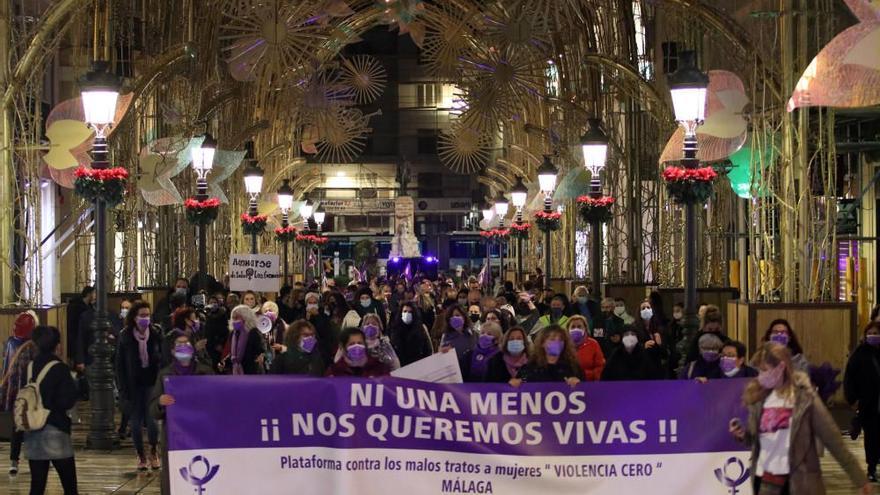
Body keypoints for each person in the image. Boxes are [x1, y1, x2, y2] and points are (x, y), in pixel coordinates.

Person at [731, 343, 871, 495]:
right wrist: (743, 435)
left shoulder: (805, 399)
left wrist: (858, 478)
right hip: (764, 481)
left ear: (781, 368)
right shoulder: (760, 399)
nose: (761, 376)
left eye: (765, 370)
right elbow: (757, 440)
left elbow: (832, 439)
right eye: (759, 371)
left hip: (799, 482)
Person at [149, 333, 213, 494]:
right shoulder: (165, 375)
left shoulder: (205, 372)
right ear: (172, 351)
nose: (183, 348)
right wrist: (159, 402)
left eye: (187, 344)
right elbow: (153, 410)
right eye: (179, 345)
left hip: (202, 434)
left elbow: (216, 400)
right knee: (174, 476)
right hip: (175, 436)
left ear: (193, 349)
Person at [23, 326, 79, 494]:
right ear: (57, 346)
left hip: (33, 430)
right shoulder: (60, 368)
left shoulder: (31, 366)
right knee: (69, 485)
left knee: (37, 485)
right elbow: (67, 401)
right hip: (55, 429)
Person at [116, 301, 163, 471]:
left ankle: (153, 450)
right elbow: (119, 365)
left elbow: (162, 357)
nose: (145, 319)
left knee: (151, 421)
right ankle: (140, 454)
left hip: (151, 382)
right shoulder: (126, 336)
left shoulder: (156, 333)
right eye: (142, 315)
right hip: (132, 384)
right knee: (135, 423)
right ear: (134, 317)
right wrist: (121, 387)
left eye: (148, 315)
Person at [2, 320, 39, 476]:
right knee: (35, 427)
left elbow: (7, 368)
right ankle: (36, 460)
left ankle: (14, 461)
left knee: (17, 427)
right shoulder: (33, 347)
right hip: (31, 393)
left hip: (15, 392)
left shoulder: (10, 343)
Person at [845, 322, 880, 482]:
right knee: (871, 437)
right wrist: (853, 399)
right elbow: (849, 377)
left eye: (876, 333)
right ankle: (871, 468)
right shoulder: (860, 354)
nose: (873, 336)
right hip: (868, 404)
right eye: (870, 333)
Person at [512, 325, 583, 384]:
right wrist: (514, 384)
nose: (557, 342)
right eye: (552, 339)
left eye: (560, 340)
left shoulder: (573, 368)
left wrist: (579, 385)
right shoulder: (529, 369)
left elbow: (587, 393)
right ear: (542, 343)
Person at [327, 328, 391, 377]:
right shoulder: (335, 371)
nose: (357, 347)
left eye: (360, 343)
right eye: (352, 344)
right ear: (342, 347)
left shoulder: (379, 368)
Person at [225, 305, 265, 375]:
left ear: (246, 318)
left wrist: (261, 356)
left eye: (237, 317)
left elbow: (260, 351)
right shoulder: (233, 334)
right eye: (233, 318)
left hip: (251, 371)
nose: (234, 320)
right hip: (235, 371)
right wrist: (224, 362)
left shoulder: (254, 332)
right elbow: (233, 354)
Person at [388, 302, 433, 367]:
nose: (407, 314)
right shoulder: (395, 330)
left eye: (410, 312)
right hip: (401, 367)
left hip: (418, 366)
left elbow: (428, 350)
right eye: (405, 311)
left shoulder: (421, 329)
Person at [568, 315, 605, 381]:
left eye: (579, 326)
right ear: (568, 329)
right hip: (565, 384)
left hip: (589, 383)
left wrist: (584, 375)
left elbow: (600, 366)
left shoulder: (593, 344)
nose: (576, 329)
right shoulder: (563, 345)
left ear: (585, 328)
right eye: (573, 327)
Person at [65, 286, 94, 362]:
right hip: (76, 339)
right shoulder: (75, 307)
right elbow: (72, 327)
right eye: (94, 293)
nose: (95, 296)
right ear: (89, 294)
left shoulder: (90, 307)